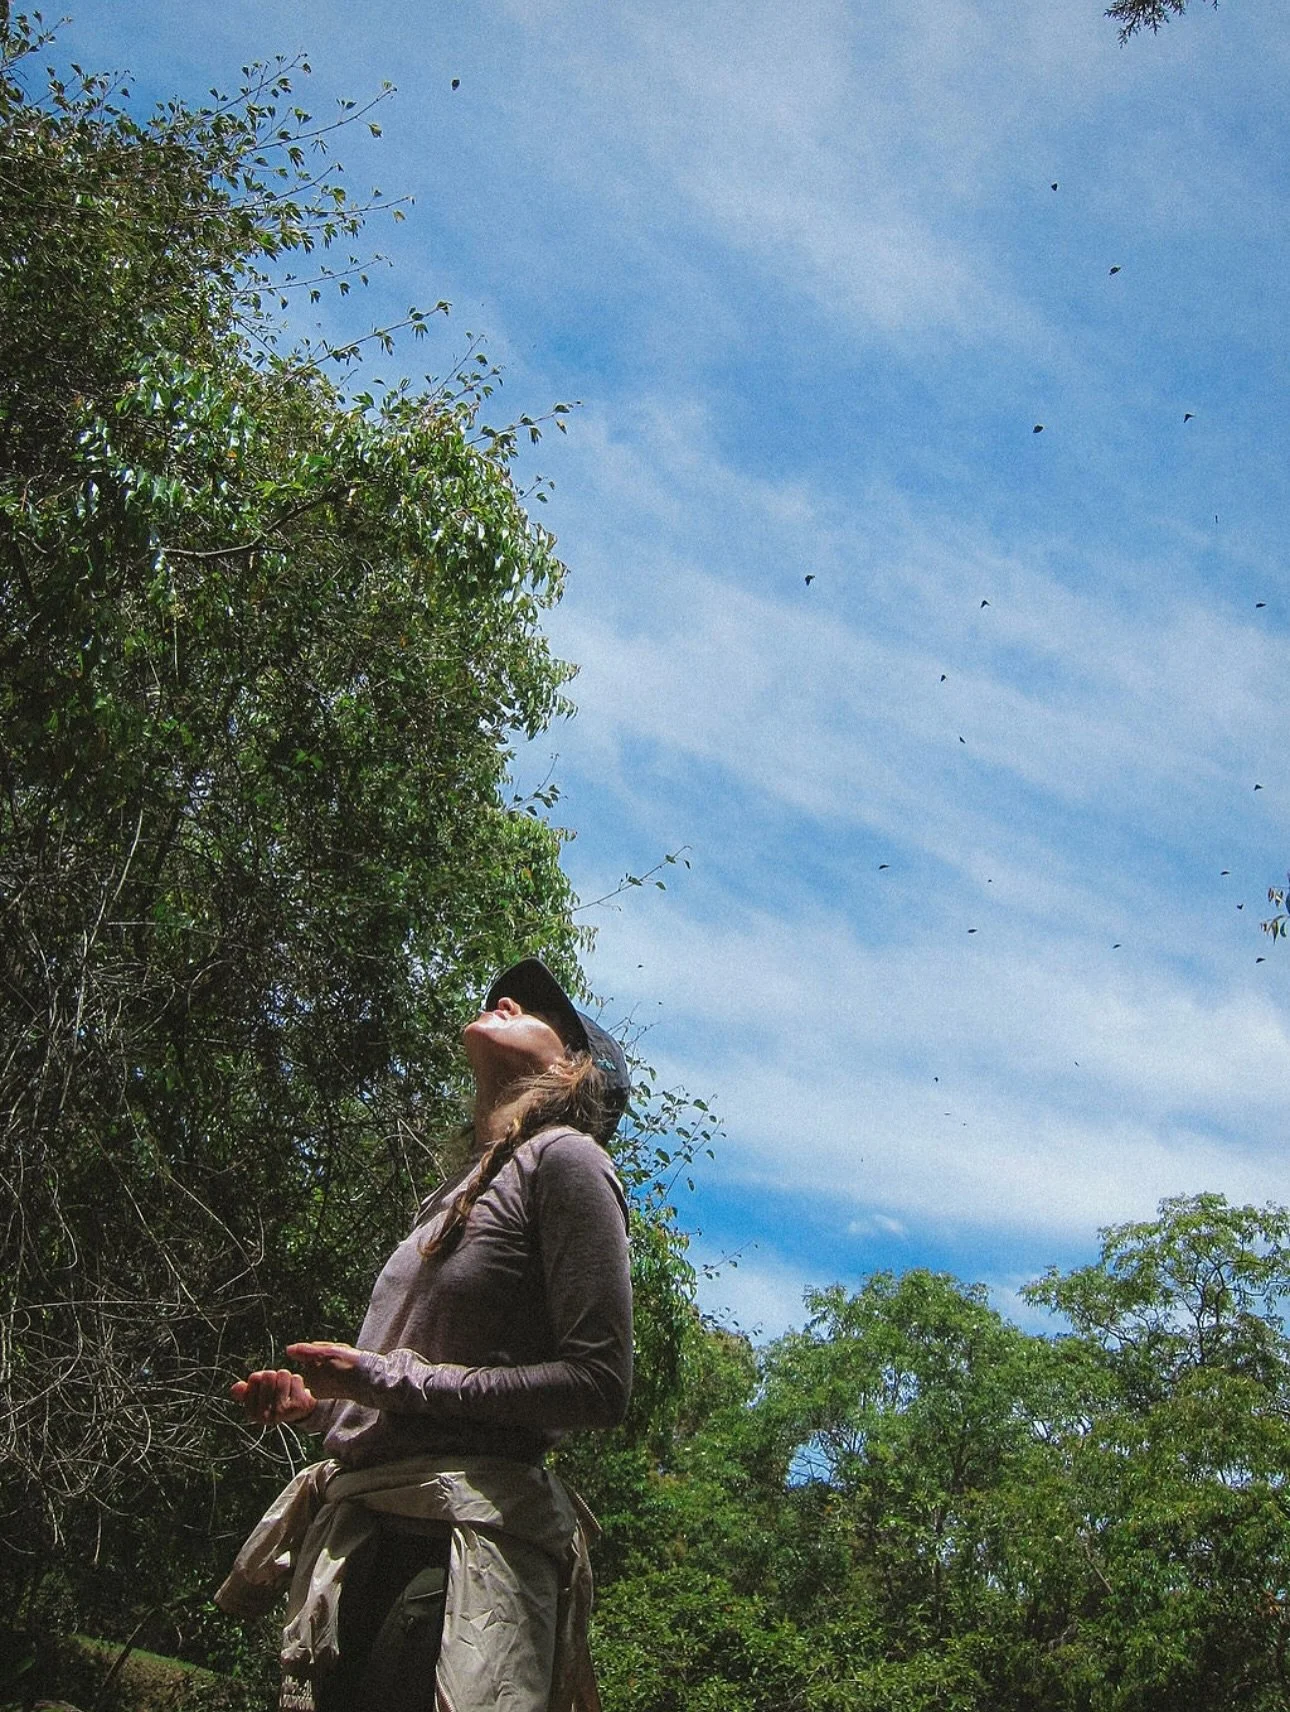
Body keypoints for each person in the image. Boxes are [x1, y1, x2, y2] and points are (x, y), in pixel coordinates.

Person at [216, 958, 634, 1712]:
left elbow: (600, 1384)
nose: (505, 1000)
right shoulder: (449, 1197)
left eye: (538, 1007)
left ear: (578, 1069)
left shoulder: (569, 1162)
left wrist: (382, 1379)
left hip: (454, 1554)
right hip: (368, 1533)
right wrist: (320, 1405)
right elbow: (406, 1387)